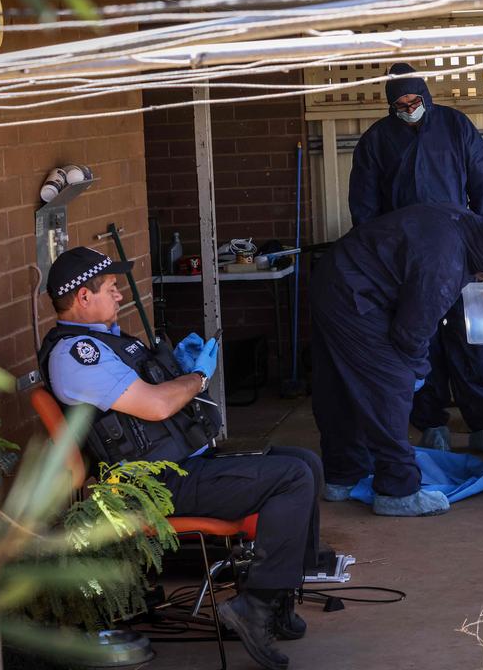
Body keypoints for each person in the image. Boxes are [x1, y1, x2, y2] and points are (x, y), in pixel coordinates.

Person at [38, 246, 318, 670]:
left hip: (181, 466)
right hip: (155, 487)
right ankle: (254, 605)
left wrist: (178, 371)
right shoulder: (77, 355)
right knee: (293, 477)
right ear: (82, 297)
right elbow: (155, 407)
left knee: (305, 461)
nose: (120, 295)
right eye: (112, 288)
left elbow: (157, 399)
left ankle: (277, 597)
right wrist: (198, 376)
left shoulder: (107, 341)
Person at [310, 204, 483, 517]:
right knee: (390, 385)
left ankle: (343, 477)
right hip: (355, 297)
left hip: (335, 279)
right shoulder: (445, 266)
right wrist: (417, 371)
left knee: (340, 386)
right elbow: (410, 334)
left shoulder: (458, 221)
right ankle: (398, 491)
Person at [348, 62, 483, 456]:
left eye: (414, 101)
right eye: (400, 104)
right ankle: (431, 422)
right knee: (419, 339)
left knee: (470, 335)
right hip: (404, 261)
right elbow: (365, 208)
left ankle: (482, 423)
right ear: (390, 105)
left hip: (459, 253)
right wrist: (376, 263)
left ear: (426, 96)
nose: (408, 108)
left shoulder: (456, 128)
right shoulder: (376, 142)